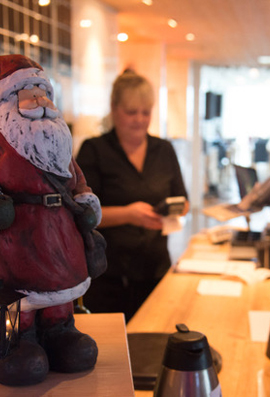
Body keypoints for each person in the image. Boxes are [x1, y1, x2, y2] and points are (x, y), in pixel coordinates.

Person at [0, 55, 103, 385]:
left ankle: (59, 331)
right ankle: (17, 342)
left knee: (58, 297)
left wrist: (84, 198)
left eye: (42, 90)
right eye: (27, 90)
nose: (38, 98)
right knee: (19, 298)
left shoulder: (57, 136)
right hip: (13, 242)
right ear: (5, 99)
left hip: (59, 238)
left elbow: (75, 176)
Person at [76, 70, 189, 322]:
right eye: (131, 112)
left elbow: (183, 200)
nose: (139, 119)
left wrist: (170, 211)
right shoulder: (94, 150)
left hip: (156, 270)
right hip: (109, 275)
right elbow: (82, 214)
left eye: (146, 112)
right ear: (114, 109)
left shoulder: (164, 149)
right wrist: (129, 214)